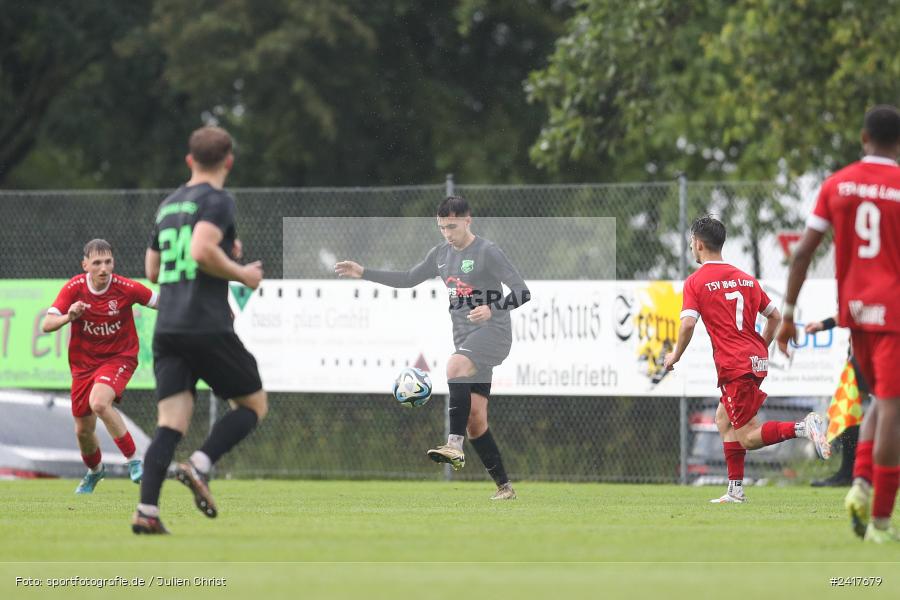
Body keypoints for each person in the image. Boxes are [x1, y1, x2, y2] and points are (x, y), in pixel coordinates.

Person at [335, 196, 530, 500]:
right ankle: (505, 488)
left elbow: (522, 292)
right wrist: (364, 272)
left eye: (452, 226)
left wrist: (494, 308)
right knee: (477, 421)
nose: (448, 233)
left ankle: (453, 445)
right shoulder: (440, 254)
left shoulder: (488, 252)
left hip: (494, 333)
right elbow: (408, 279)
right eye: (442, 227)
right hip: (467, 341)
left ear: (468, 221)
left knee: (453, 366)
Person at [132, 126, 266, 534]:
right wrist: (242, 272)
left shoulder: (169, 204)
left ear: (189, 160)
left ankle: (147, 513)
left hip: (168, 325)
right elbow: (201, 250)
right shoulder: (218, 199)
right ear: (229, 161)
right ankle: (200, 465)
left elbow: (152, 271)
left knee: (170, 423)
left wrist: (220, 252)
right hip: (204, 323)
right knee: (252, 405)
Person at [777, 105, 900, 543]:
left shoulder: (836, 184)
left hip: (855, 318)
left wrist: (788, 315)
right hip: (894, 315)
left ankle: (861, 485)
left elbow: (803, 253)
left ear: (864, 139)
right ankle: (882, 521)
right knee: (892, 410)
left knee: (881, 406)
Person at [664, 216, 830, 504]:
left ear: (699, 244)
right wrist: (759, 349)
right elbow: (775, 317)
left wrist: (674, 355)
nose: (692, 246)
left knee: (748, 437)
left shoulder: (696, 281)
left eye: (692, 242)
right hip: (753, 361)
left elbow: (688, 325)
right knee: (723, 419)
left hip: (734, 365)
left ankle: (803, 426)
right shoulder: (746, 278)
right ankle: (735, 491)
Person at [42, 239, 157, 494]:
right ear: (85, 265)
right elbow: (47, 324)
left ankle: (134, 460)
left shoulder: (126, 288)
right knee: (83, 432)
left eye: (108, 262)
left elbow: (164, 301)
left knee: (99, 402)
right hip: (83, 366)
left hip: (119, 357)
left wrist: (207, 307)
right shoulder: (74, 288)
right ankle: (95, 471)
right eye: (96, 263)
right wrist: (69, 316)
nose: (103, 268)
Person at [804, 316, 868, 488]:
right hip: (865, 352)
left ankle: (852, 473)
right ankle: (850, 472)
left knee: (852, 409)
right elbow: (850, 311)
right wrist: (823, 324)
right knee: (847, 409)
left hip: (873, 350)